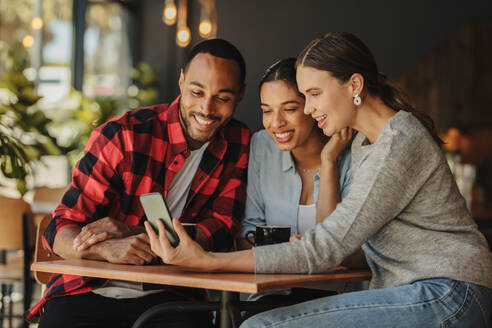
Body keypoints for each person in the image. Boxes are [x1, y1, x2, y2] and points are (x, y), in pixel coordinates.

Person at [145, 32, 492, 328]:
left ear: (354, 85)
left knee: (262, 326)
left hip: (450, 292)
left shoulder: (397, 143)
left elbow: (327, 248)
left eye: (313, 94)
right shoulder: (364, 142)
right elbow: (347, 248)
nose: (309, 109)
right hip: (417, 290)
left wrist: (208, 261)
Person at [26, 38, 251, 328]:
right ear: (181, 81)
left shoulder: (238, 142)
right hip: (88, 289)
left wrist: (134, 232)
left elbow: (221, 229)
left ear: (240, 95)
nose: (206, 109)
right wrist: (106, 249)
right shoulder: (123, 136)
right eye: (197, 92)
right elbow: (59, 229)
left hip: (172, 295)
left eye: (222, 98)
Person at [237, 58, 354, 305]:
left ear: (312, 106)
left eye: (289, 109)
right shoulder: (262, 146)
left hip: (339, 297)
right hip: (272, 293)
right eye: (267, 110)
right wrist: (287, 248)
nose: (276, 123)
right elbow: (248, 232)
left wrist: (329, 161)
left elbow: (336, 249)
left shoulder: (354, 154)